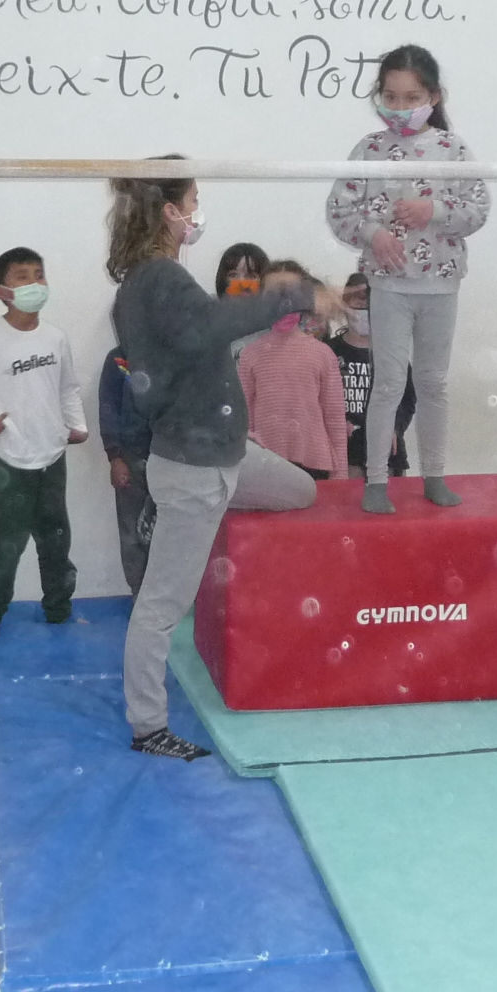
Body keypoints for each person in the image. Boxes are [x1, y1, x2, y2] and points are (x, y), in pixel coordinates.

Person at [108, 162, 342, 759]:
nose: (197, 209)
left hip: (227, 456)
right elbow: (211, 326)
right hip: (194, 467)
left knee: (302, 491)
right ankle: (148, 727)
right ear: (170, 211)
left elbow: (198, 341)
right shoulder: (158, 278)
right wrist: (295, 294)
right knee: (161, 607)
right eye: (193, 198)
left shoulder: (151, 280)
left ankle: (187, 506)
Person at [326, 44, 490, 513]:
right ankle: (376, 480)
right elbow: (339, 210)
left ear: (433, 97)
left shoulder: (453, 150)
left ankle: (434, 475)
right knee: (388, 383)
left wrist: (433, 210)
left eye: (411, 98)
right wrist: (373, 233)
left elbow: (478, 208)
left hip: (440, 285)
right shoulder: (369, 150)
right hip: (390, 286)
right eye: (391, 97)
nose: (399, 107)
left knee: (434, 382)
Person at [0, 246, 88, 640]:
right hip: (9, 460)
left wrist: (77, 427)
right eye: (22, 277)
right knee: (6, 544)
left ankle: (59, 611)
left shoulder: (56, 337)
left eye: (39, 275)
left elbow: (69, 388)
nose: (34, 284)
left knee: (56, 541)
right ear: (2, 292)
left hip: (52, 455)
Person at [237, 260, 350, 480]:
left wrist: (340, 474)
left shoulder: (323, 354)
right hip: (265, 466)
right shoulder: (250, 355)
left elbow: (335, 419)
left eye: (291, 293)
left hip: (315, 465)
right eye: (273, 294)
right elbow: (244, 420)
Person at [330, 271, 415, 479]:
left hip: (387, 449)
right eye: (357, 303)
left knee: (390, 496)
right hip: (342, 448)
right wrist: (334, 424)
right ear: (343, 306)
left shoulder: (392, 353)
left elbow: (408, 399)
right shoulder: (329, 351)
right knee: (346, 495)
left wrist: (395, 426)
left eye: (370, 303)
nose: (363, 310)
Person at [97, 344, 154, 593]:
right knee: (133, 532)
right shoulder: (118, 358)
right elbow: (108, 405)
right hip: (131, 457)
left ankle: (175, 600)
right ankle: (139, 595)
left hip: (173, 457)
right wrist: (115, 457)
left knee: (174, 532)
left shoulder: (174, 350)